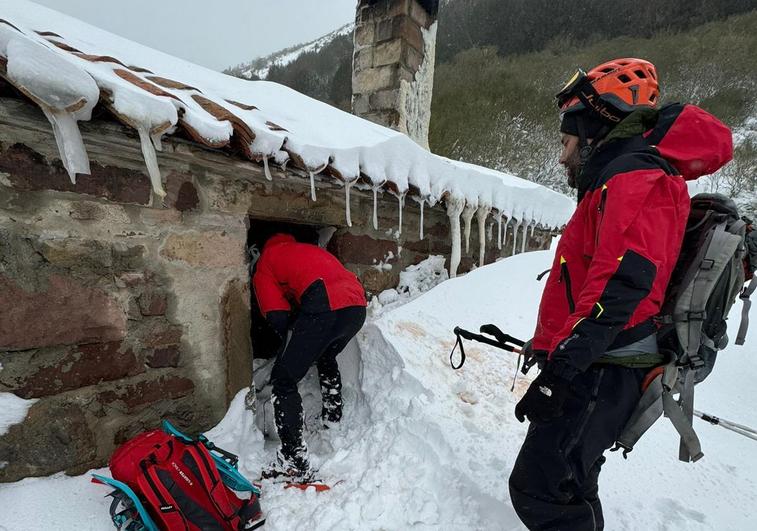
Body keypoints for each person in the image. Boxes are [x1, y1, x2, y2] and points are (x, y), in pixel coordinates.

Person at [508, 58, 733, 530]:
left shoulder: (636, 179)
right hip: (597, 360)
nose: (562, 156)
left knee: (541, 487)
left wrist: (562, 369)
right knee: (572, 478)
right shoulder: (615, 183)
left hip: (605, 365)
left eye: (566, 142)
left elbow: (623, 286)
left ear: (591, 131)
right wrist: (549, 346)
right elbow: (587, 280)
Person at [252, 233, 367, 480]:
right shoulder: (308, 251)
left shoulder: (266, 262)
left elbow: (276, 315)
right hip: (357, 306)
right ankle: (333, 418)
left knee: (284, 379)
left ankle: (293, 460)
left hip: (323, 303)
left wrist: (291, 345)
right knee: (326, 355)